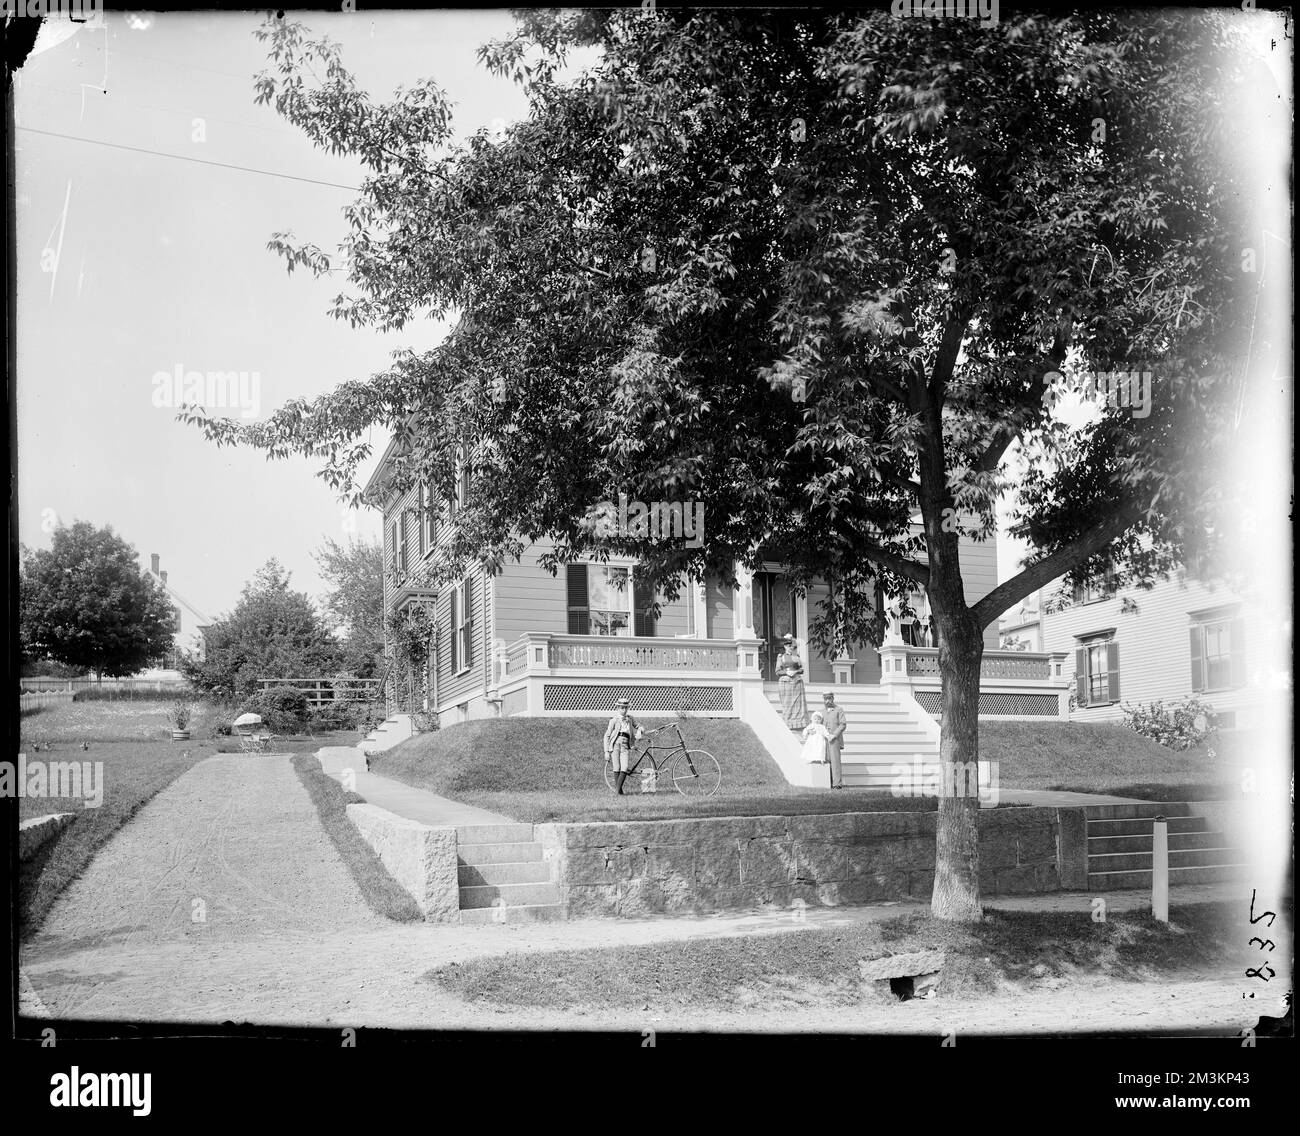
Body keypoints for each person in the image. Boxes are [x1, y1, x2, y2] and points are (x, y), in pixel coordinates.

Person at [603, 696, 643, 795]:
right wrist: (606, 751)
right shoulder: (614, 720)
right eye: (622, 708)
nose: (624, 710)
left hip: (625, 745)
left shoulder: (630, 719)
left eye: (626, 708)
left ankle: (617, 792)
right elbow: (607, 736)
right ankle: (619, 793)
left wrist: (640, 730)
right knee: (616, 767)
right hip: (615, 744)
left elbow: (639, 726)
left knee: (624, 767)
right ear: (618, 708)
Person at [776, 633, 807, 728]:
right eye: (788, 645)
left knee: (797, 702)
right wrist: (786, 672)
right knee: (787, 702)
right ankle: (788, 720)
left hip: (796, 681)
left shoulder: (796, 657)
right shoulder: (781, 657)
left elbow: (802, 670)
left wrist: (796, 671)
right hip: (786, 682)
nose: (790, 647)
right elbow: (777, 671)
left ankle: (798, 722)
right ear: (785, 646)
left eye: (791, 646)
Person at [821, 690, 848, 789]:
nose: (827, 701)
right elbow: (818, 724)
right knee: (826, 760)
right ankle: (828, 783)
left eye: (829, 698)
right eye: (825, 699)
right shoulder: (822, 711)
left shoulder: (839, 710)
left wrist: (834, 735)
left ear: (833, 698)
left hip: (834, 739)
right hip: (824, 739)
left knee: (835, 761)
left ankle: (837, 784)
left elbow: (843, 724)